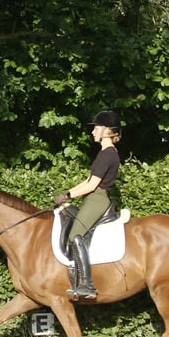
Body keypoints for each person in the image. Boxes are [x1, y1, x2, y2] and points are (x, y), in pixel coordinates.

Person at [53, 110, 122, 299]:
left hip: (98, 198)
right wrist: (66, 194)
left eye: (96, 128)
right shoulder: (104, 153)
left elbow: (92, 185)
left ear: (107, 131)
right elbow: (87, 180)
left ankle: (88, 285)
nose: (93, 132)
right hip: (92, 197)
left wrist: (68, 195)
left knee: (76, 235)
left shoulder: (108, 154)